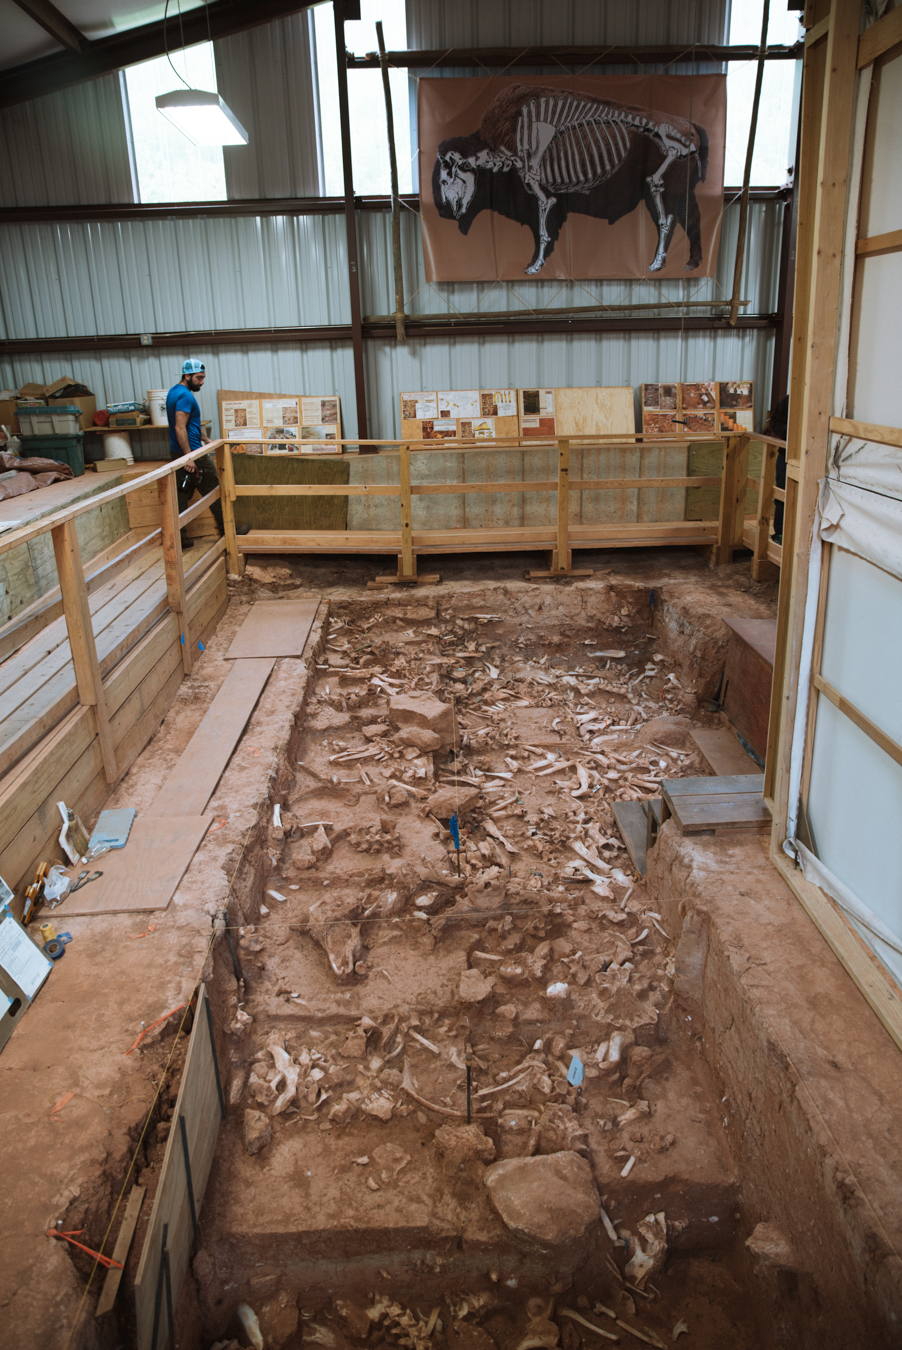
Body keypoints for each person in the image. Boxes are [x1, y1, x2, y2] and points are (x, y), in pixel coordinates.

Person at [166, 358, 224, 549]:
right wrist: (189, 456)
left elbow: (190, 425)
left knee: (181, 495)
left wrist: (207, 440)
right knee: (215, 488)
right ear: (187, 375)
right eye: (199, 378)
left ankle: (180, 538)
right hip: (192, 454)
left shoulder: (174, 392)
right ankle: (228, 530)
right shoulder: (185, 397)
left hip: (179, 452)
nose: (202, 382)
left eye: (203, 378)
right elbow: (179, 427)